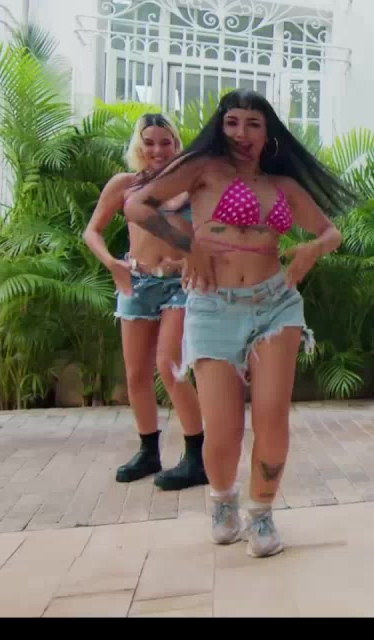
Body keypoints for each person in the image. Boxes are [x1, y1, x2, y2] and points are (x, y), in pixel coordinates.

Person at [124, 89, 352, 557]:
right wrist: (189, 246)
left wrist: (311, 249)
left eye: (253, 124)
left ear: (268, 133)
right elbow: (137, 205)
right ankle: (223, 500)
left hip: (276, 305)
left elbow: (331, 232)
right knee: (224, 429)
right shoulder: (201, 169)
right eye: (232, 123)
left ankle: (262, 513)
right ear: (220, 126)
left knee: (271, 415)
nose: (241, 133)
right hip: (213, 306)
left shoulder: (282, 184)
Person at [83, 113, 207, 491]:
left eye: (165, 142)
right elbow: (92, 231)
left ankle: (197, 458)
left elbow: (213, 237)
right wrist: (112, 264)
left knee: (169, 366)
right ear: (139, 145)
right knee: (136, 373)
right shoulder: (124, 185)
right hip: (136, 283)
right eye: (149, 142)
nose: (157, 149)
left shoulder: (191, 185)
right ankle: (148, 452)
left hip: (179, 286)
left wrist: (189, 261)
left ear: (176, 144)